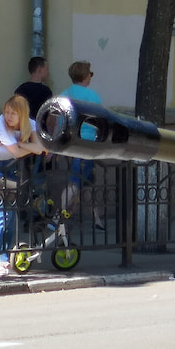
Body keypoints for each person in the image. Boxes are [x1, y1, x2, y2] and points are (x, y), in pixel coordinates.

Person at [0, 95, 46, 277]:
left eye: (13, 113)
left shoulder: (30, 123)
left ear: (22, 115)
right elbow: (20, 152)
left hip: (12, 169)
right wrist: (25, 145)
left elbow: (41, 147)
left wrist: (23, 144)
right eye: (6, 112)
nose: (8, 116)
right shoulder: (0, 125)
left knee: (11, 213)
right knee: (0, 211)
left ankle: (5, 256)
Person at [59, 61, 105, 231]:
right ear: (86, 76)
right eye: (90, 74)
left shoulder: (64, 95)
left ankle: (96, 218)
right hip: (86, 144)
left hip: (69, 143)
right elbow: (100, 120)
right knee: (76, 183)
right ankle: (59, 215)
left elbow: (58, 119)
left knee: (85, 181)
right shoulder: (92, 96)